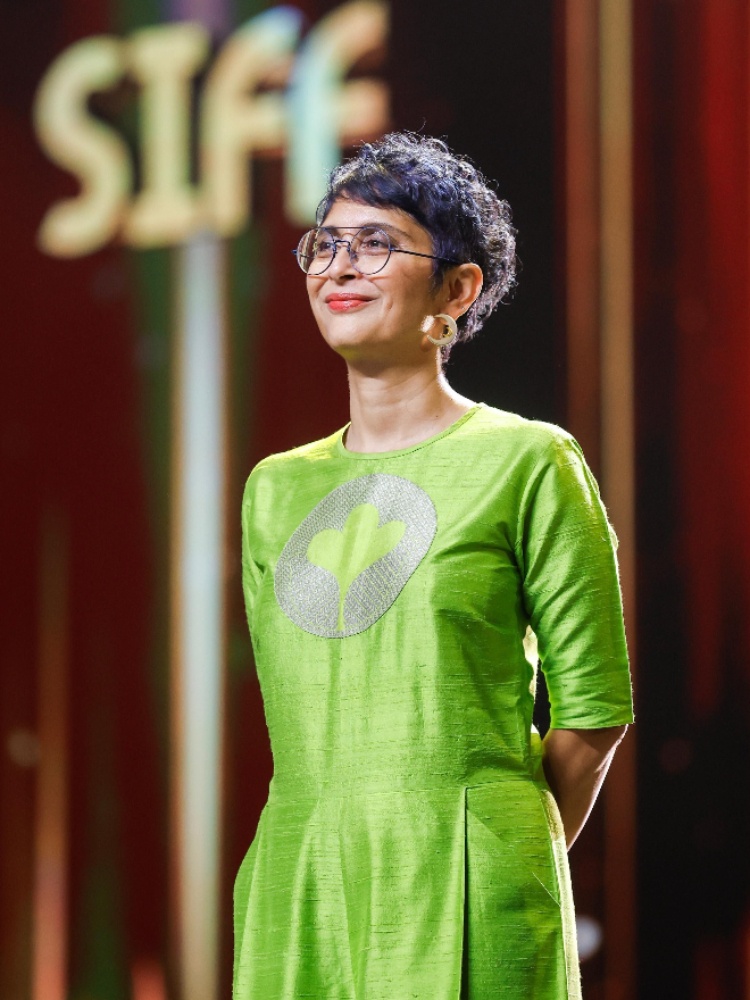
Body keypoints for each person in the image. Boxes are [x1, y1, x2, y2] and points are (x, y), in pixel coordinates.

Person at [234, 132, 634, 1000]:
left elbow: (593, 714)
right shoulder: (274, 489)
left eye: (377, 242)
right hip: (299, 877)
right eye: (325, 243)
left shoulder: (529, 460)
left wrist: (498, 851)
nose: (339, 265)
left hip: (471, 879)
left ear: (456, 290)